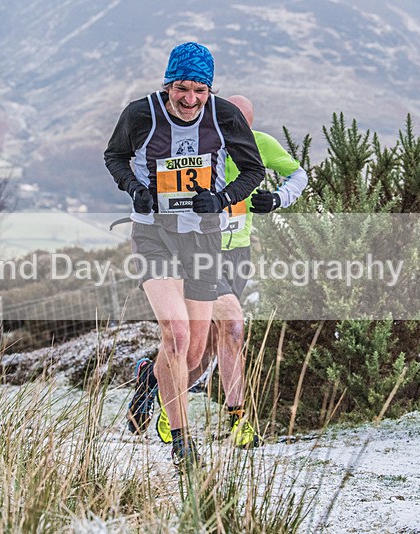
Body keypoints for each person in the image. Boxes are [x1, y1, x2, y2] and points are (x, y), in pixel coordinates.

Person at [104, 43, 265, 468]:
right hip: (155, 235)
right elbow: (114, 156)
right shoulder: (140, 115)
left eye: (199, 90)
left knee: (193, 355)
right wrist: (134, 188)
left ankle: (149, 381)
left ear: (210, 89)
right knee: (175, 334)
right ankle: (182, 443)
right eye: (181, 88)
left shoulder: (225, 116)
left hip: (204, 241)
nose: (190, 99)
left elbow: (254, 171)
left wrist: (222, 198)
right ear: (168, 84)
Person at [126, 95, 308, 449]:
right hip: (200, 250)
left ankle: (154, 378)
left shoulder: (259, 146)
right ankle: (234, 418)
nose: (231, 131)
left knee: (203, 350)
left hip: (238, 253)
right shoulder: (198, 145)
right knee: (234, 326)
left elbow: (298, 174)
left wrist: (278, 198)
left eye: (240, 126)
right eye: (225, 123)